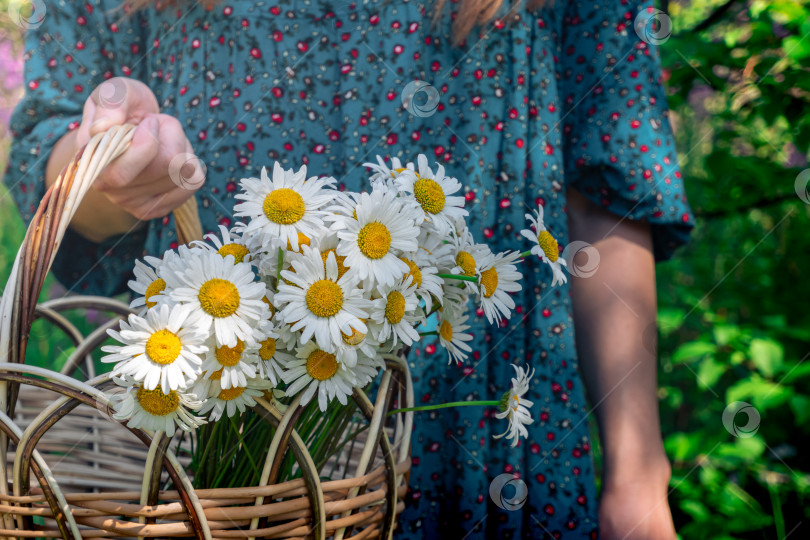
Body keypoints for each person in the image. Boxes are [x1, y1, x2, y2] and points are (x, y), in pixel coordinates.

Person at [4, 0, 694, 537]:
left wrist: (636, 471)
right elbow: (52, 156)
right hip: (222, 439)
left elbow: (607, 178)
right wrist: (117, 164)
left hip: (490, 435)